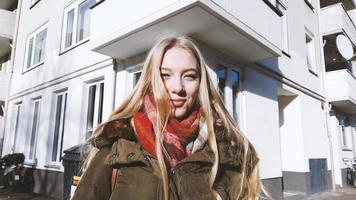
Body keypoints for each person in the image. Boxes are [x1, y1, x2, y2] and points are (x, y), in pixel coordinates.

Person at [72, 36, 265, 200]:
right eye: (165, 75)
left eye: (189, 76)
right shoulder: (117, 145)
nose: (178, 87)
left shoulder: (226, 152)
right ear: (150, 81)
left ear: (201, 84)